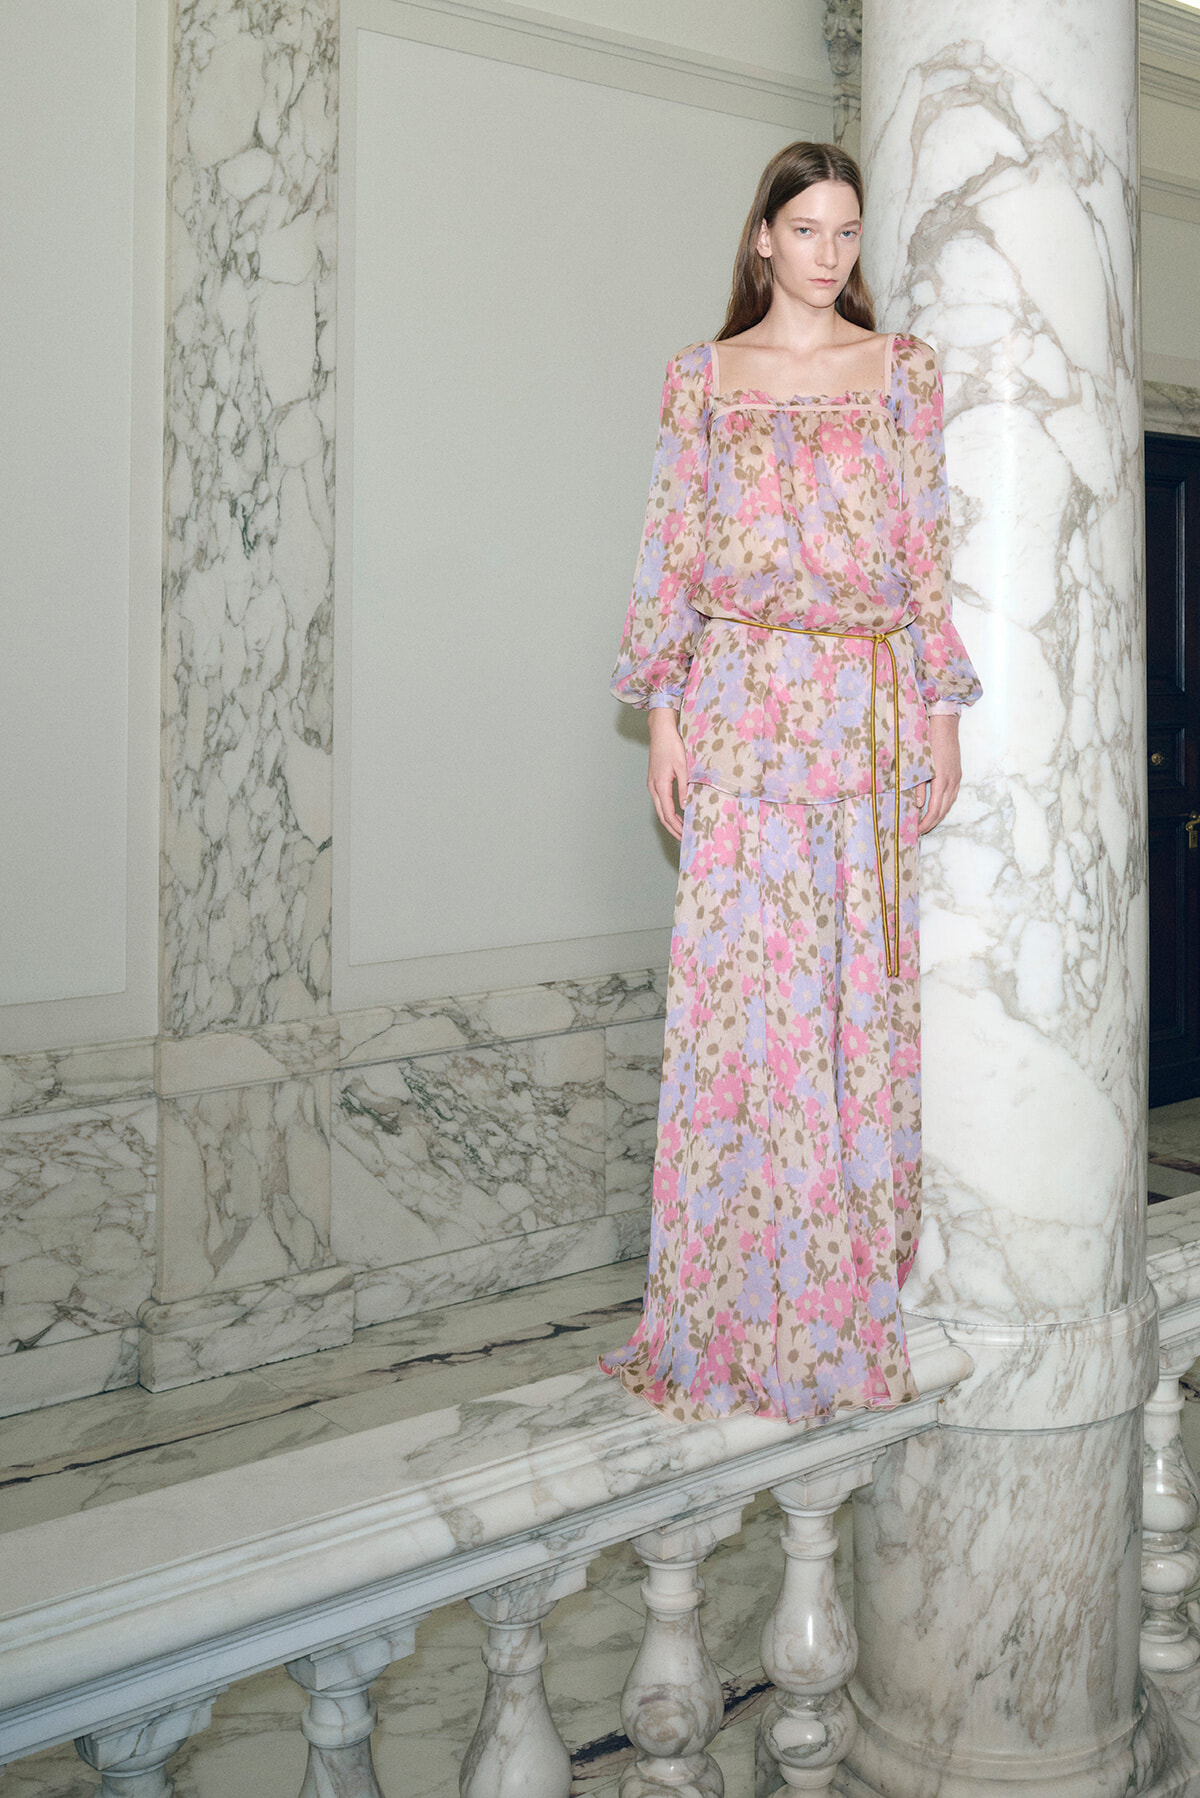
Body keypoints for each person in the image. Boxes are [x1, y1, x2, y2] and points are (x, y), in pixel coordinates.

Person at [600, 140, 982, 1425]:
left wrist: (939, 713)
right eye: (807, 230)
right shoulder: (702, 381)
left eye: (848, 232)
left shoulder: (903, 375)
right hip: (740, 706)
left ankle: (838, 1295)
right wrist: (663, 718)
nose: (830, 255)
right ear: (761, 237)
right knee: (744, 996)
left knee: (849, 998)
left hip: (865, 710)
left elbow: (926, 551)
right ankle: (721, 1303)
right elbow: (668, 551)